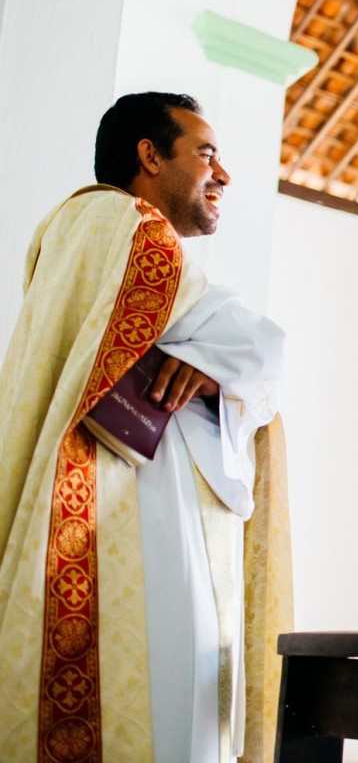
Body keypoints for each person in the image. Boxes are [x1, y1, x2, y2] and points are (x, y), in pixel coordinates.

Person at [0, 93, 292, 762]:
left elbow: (240, 354)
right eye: (206, 153)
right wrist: (219, 362)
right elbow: (262, 347)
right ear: (150, 155)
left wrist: (208, 366)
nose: (223, 175)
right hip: (131, 522)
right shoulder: (126, 227)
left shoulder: (74, 237)